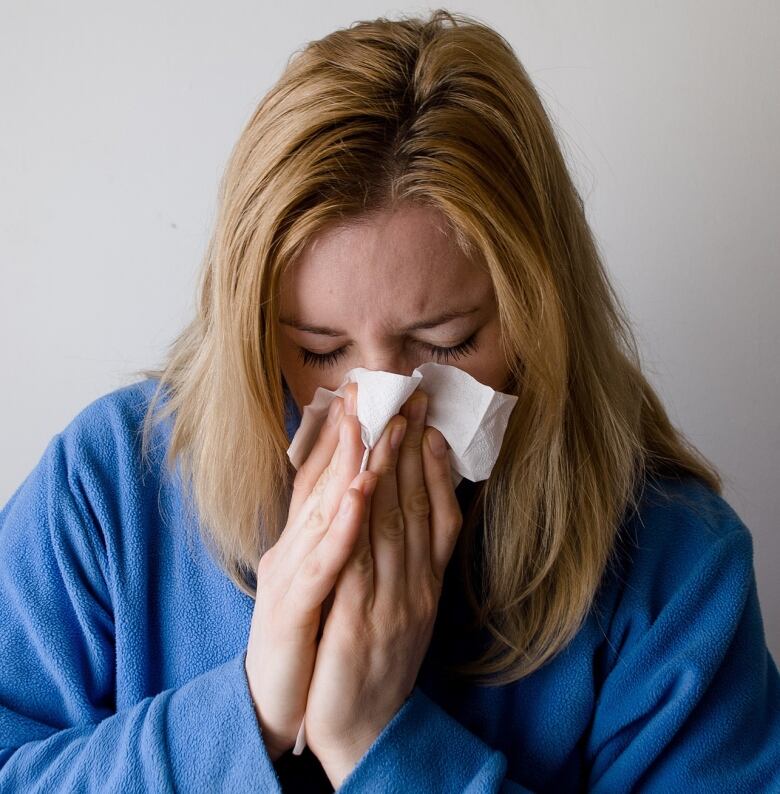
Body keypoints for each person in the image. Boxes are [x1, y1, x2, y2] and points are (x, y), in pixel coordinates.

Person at [1, 8, 778, 792]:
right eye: (319, 350)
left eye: (444, 343)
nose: (381, 411)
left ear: (538, 320)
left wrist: (377, 739)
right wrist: (252, 711)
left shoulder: (673, 568)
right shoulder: (106, 491)